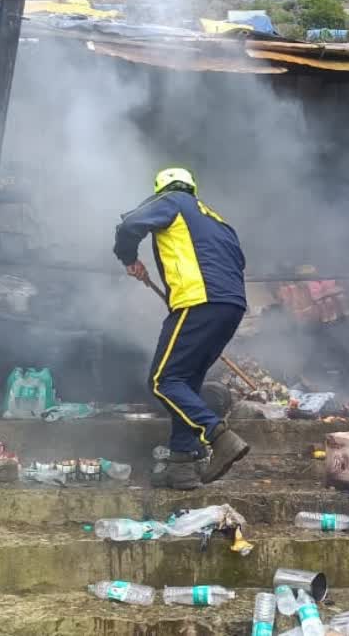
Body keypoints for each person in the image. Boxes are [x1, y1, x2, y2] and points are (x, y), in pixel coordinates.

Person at [114, 168, 251, 490]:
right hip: (231, 307)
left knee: (163, 381)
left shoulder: (172, 201)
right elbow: (238, 262)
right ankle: (182, 466)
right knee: (185, 384)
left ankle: (218, 435)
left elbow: (130, 224)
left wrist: (129, 258)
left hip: (198, 302)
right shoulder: (218, 221)